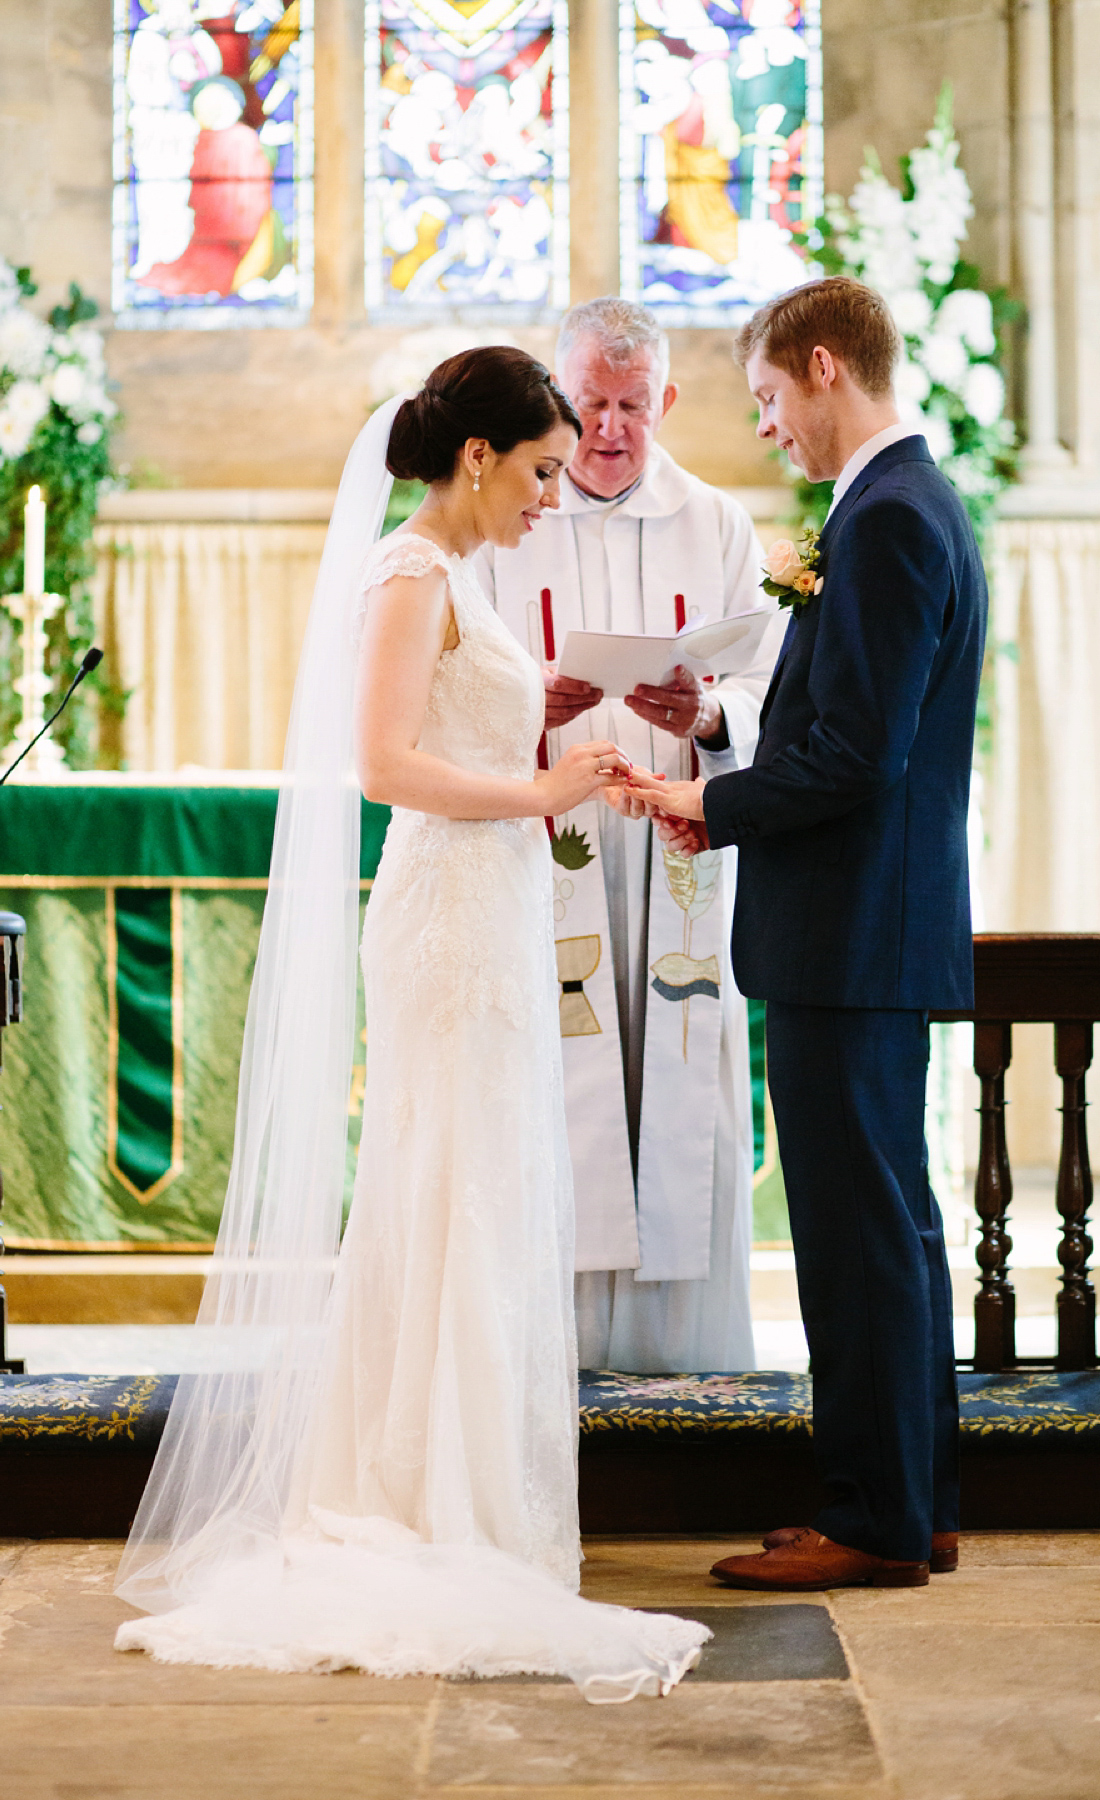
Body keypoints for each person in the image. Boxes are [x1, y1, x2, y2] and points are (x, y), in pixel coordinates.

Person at [113, 346, 705, 1698]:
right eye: (544, 472)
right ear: (479, 456)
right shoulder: (409, 573)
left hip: (485, 906)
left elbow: (454, 745)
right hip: (447, 927)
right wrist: (542, 783)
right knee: (453, 1188)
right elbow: (380, 767)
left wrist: (557, 760)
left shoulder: (456, 576)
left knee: (477, 1186)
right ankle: (429, 1508)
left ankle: (463, 1499)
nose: (555, 498)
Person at [619, 277, 986, 1589]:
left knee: (857, 1235)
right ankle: (913, 1498)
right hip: (864, 933)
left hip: (854, 934)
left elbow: (860, 762)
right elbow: (838, 722)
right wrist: (719, 725)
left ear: (824, 368)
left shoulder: (887, 520)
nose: (766, 425)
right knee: (892, 1229)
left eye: (770, 396)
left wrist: (703, 802)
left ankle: (875, 1522)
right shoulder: (893, 505)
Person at [477, 297, 783, 1373]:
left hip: (673, 847)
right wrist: (531, 713)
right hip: (546, 843)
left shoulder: (718, 524)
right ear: (562, 398)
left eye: (633, 406)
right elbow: (456, 682)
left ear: (670, 401)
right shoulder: (510, 514)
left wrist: (703, 716)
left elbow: (762, 683)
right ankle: (553, 1350)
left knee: (673, 1070)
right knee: (561, 1077)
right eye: (593, 404)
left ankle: (679, 1347)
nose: (610, 428)